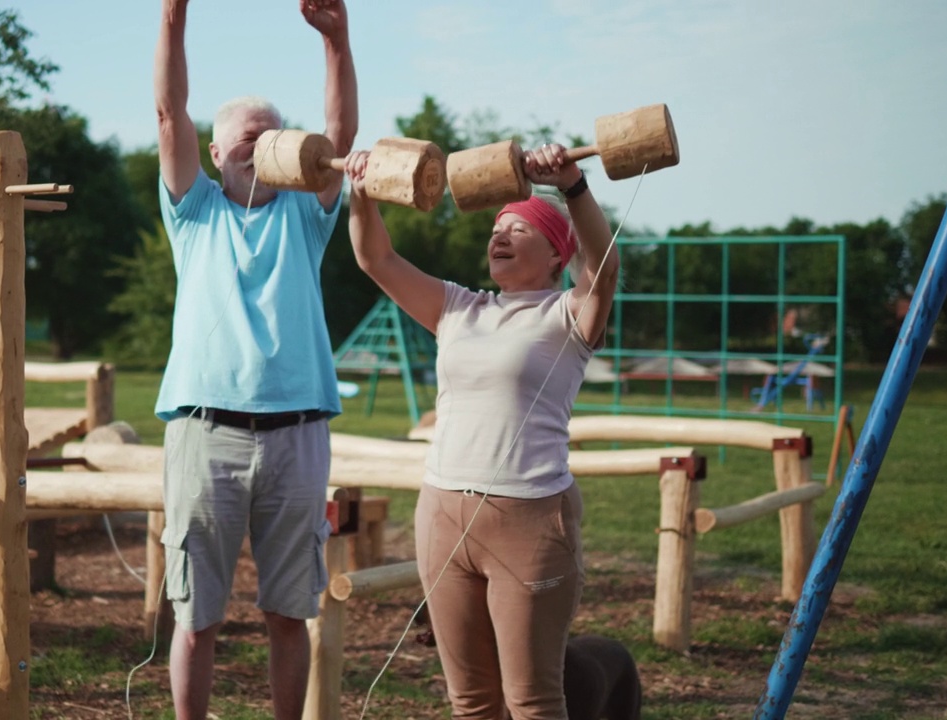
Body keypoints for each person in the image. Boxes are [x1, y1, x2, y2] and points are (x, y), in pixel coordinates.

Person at [344, 143, 618, 719]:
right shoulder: (457, 308)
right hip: (441, 517)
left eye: (521, 229)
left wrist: (571, 184)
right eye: (498, 227)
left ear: (554, 255)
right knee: (470, 701)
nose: (501, 235)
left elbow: (603, 261)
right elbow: (376, 259)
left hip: (531, 523)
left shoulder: (569, 313)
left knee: (533, 700)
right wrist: (361, 194)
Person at [152, 1, 358, 719]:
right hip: (205, 433)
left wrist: (337, 40)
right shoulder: (195, 209)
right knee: (198, 616)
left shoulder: (305, 211)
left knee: (287, 612)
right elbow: (170, 112)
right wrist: (173, 20)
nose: (260, 146)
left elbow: (340, 135)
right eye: (246, 138)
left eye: (271, 135)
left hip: (297, 434)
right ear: (216, 154)